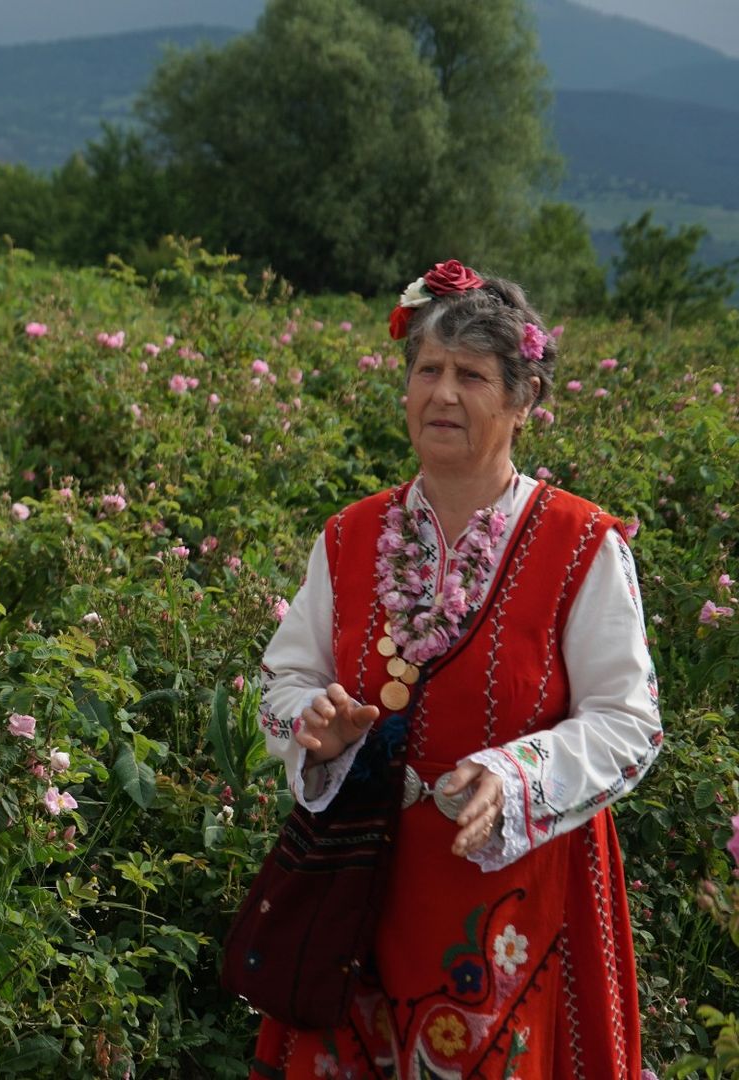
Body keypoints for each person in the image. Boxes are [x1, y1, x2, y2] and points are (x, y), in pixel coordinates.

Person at [249, 261, 660, 1077]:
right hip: (366, 883)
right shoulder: (350, 538)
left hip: (517, 897)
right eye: (427, 371)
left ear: (522, 402)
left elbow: (628, 720)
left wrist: (517, 775)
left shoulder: (581, 545)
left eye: (471, 376)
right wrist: (313, 725)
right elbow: (285, 680)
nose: (442, 394)